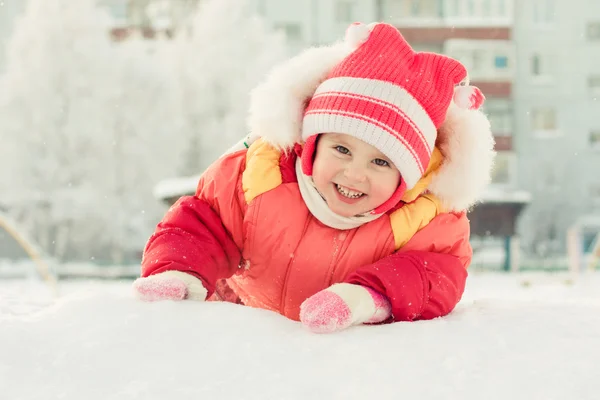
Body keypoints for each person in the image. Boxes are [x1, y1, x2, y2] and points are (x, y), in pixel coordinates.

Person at [132, 22, 495, 334]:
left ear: (407, 179)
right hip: (244, 327)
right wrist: (179, 272)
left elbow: (435, 275)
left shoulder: (424, 217)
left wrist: (366, 298)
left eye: (381, 163)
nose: (355, 174)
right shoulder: (260, 177)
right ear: (311, 144)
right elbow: (203, 224)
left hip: (335, 353)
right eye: (341, 150)